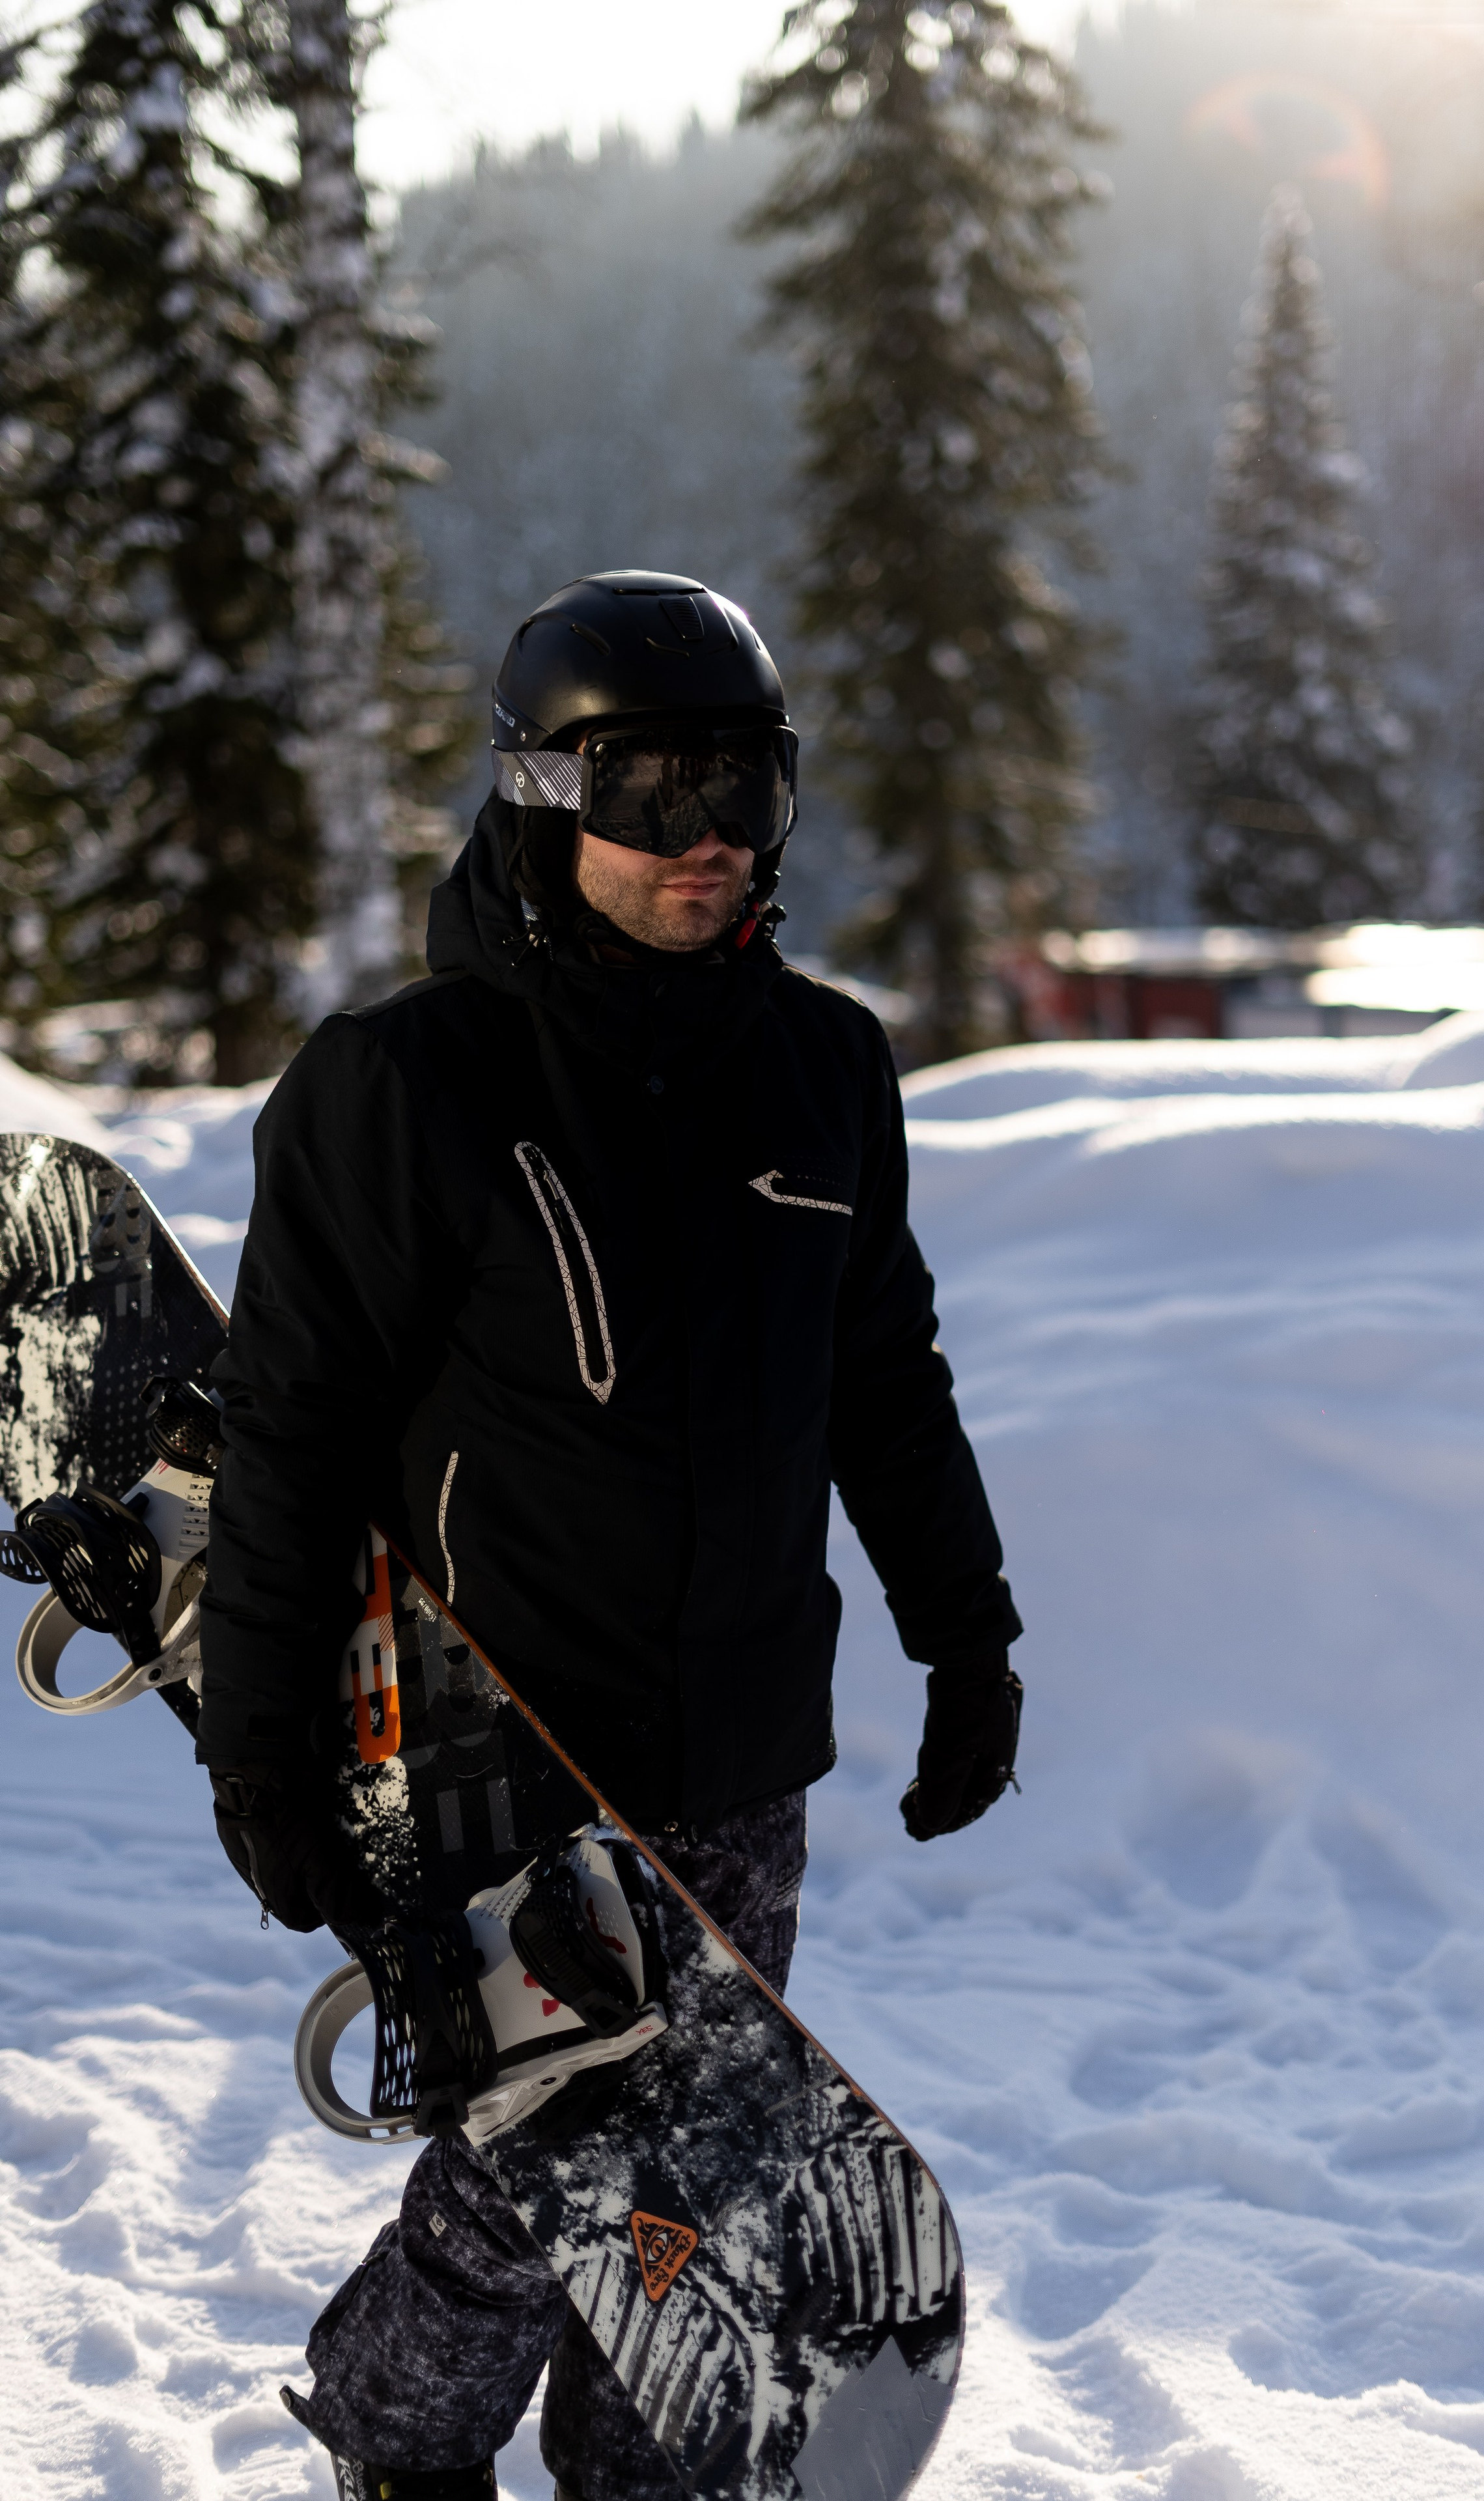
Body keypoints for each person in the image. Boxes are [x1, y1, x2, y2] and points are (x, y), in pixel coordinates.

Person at [197, 571, 1024, 2501]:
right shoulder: (403, 1091)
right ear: (543, 793)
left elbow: (882, 1377)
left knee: (690, 2206)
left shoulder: (824, 1067)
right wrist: (261, 1751)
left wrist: (965, 1637)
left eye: (748, 786)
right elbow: (292, 1447)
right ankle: (399, 2442)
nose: (709, 837)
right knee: (523, 2180)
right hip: (499, 1753)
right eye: (651, 788)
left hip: (739, 1744)